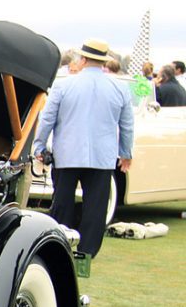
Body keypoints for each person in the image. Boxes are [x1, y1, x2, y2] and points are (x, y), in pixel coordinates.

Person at [32, 37, 134, 257]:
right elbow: (127, 125)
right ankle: (87, 252)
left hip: (67, 154)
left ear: (83, 58)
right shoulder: (121, 88)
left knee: (62, 204)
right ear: (104, 61)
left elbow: (47, 119)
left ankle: (59, 248)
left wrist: (39, 146)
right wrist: (126, 153)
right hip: (102, 157)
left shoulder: (63, 85)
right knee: (96, 209)